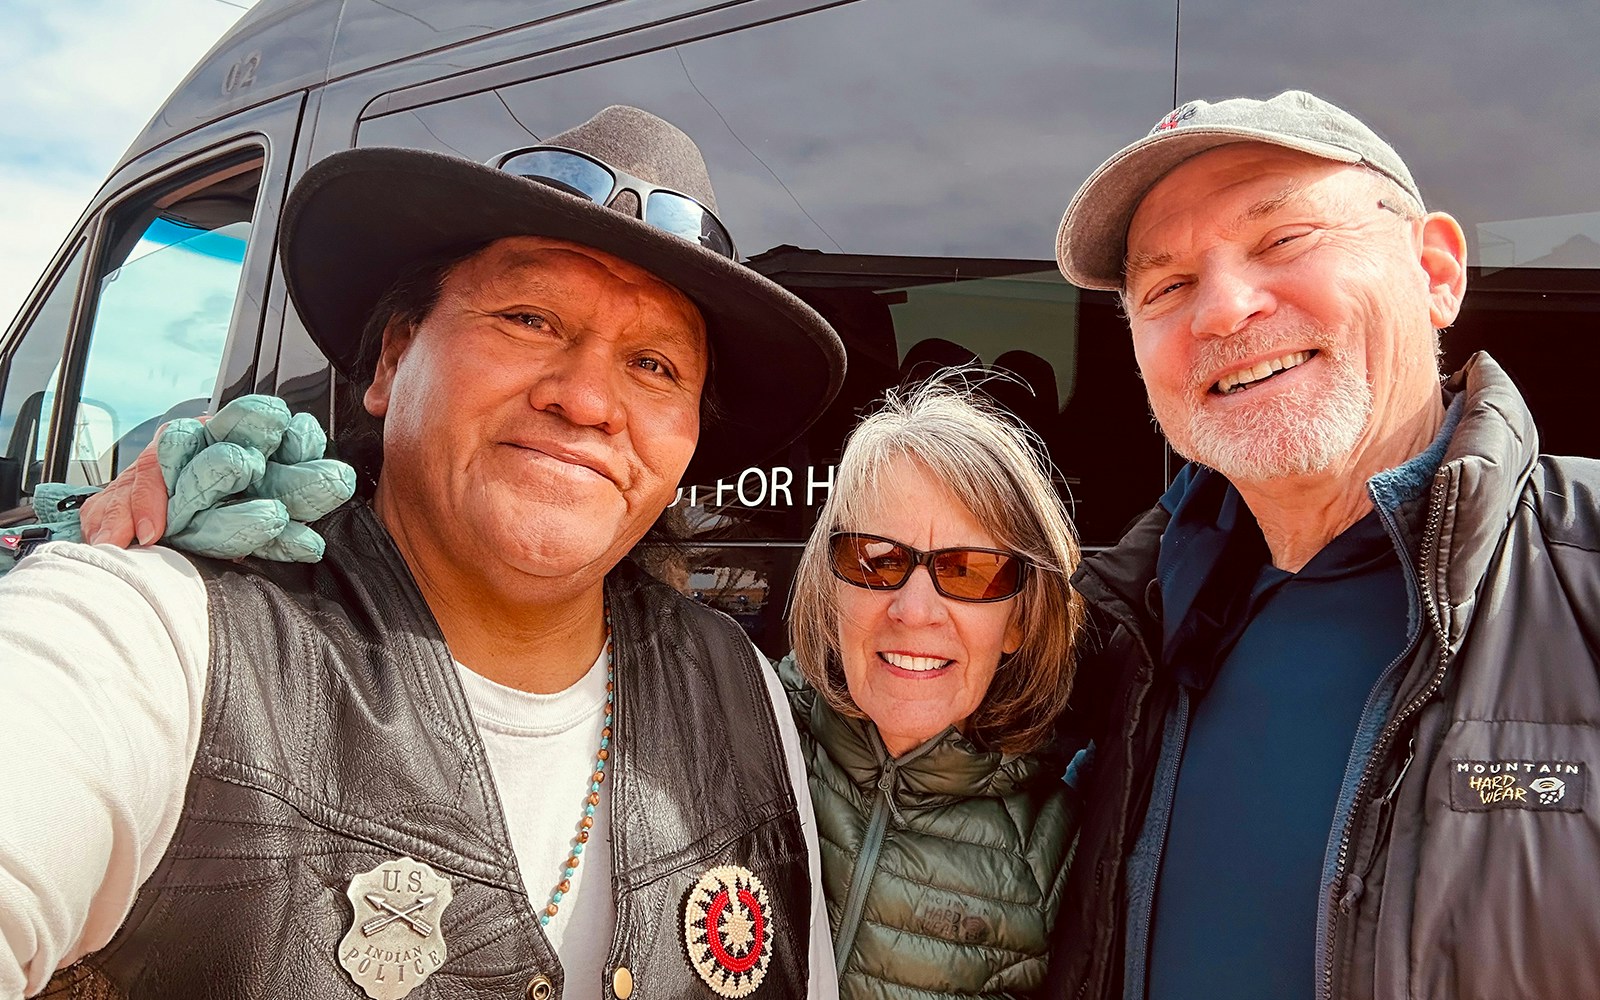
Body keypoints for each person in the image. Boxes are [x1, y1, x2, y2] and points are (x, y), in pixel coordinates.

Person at [0, 106, 846, 1000]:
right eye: (530, 318)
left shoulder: (740, 688)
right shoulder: (161, 634)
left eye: (655, 367)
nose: (588, 399)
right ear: (395, 357)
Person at [1045, 90, 1600, 1000]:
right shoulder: (1107, 635)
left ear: (1436, 272)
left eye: (1284, 240)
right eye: (1166, 287)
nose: (1221, 311)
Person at [780, 374, 1087, 999]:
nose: (914, 609)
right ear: (827, 584)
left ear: (1021, 620)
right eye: (876, 559)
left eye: (970, 570)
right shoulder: (741, 742)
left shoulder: (1057, 855)